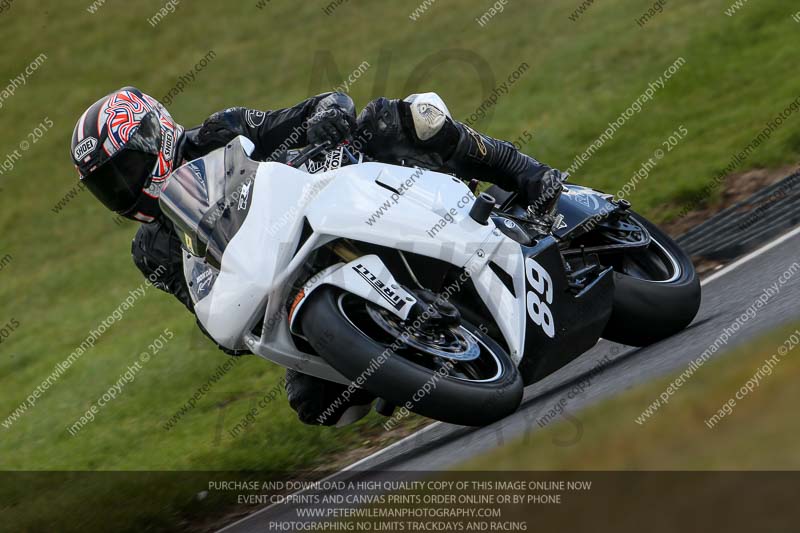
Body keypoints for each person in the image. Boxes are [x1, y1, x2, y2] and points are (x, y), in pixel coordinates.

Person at [69, 86, 563, 426]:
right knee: (316, 404)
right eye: (107, 186)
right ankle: (400, 353)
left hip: (345, 193)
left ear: (155, 134)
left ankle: (524, 172)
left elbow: (322, 104)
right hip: (284, 279)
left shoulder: (222, 132)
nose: (124, 189)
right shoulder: (151, 249)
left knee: (401, 118)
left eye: (125, 169)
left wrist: (328, 117)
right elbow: (203, 306)